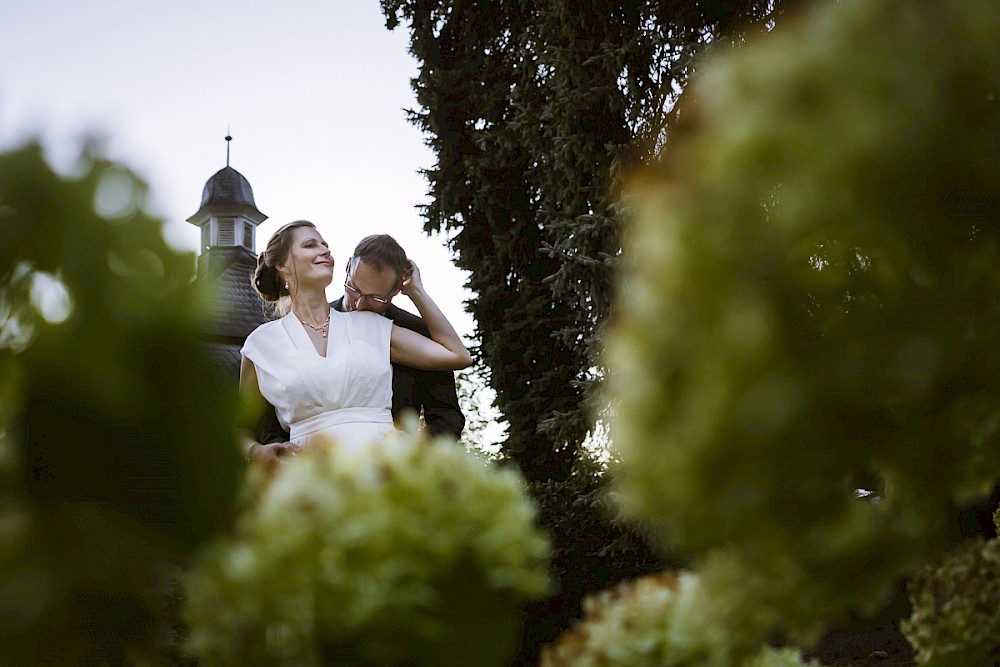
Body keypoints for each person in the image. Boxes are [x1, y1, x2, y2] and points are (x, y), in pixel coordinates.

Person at [239, 221, 471, 468]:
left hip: (386, 470)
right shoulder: (260, 344)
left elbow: (457, 356)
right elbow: (240, 428)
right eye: (310, 245)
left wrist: (417, 292)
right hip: (309, 475)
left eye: (325, 245)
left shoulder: (374, 326)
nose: (324, 250)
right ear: (282, 264)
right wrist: (256, 451)